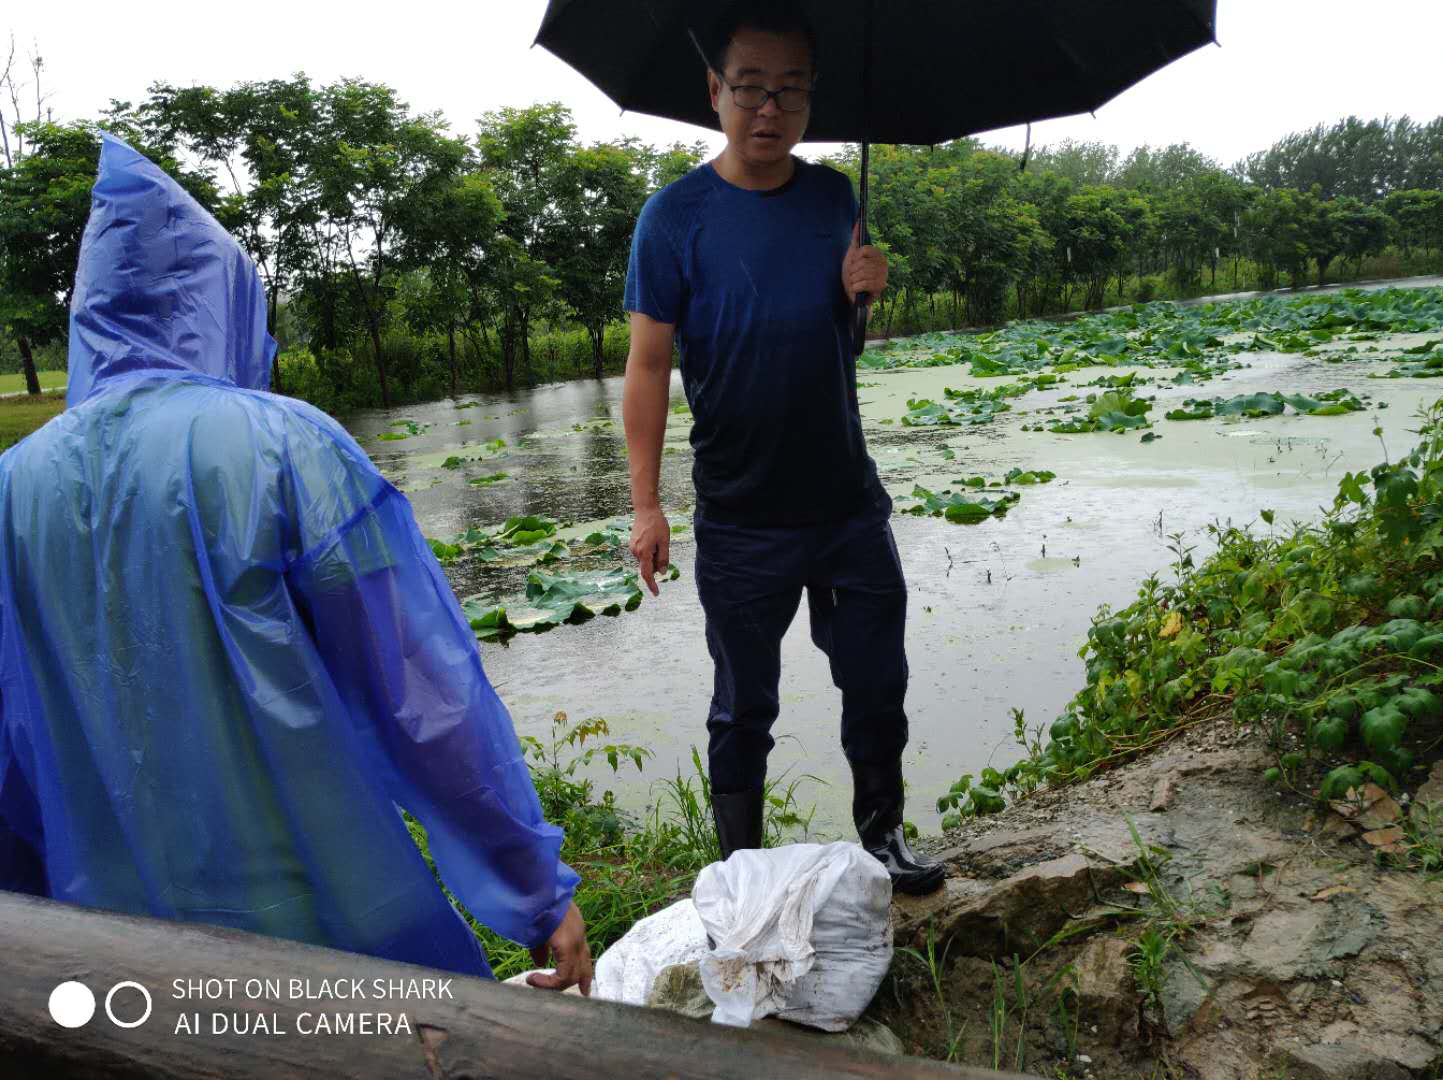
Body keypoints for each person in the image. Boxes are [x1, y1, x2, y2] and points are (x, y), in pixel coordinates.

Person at [0, 136, 592, 992]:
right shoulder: (283, 446)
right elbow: (423, 699)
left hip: (108, 936)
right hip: (315, 911)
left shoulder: (14, 486)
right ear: (217, 305)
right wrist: (535, 890)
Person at [622, 2, 944, 895]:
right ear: (715, 91)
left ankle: (882, 836)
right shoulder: (673, 217)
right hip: (739, 513)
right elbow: (648, 368)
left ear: (811, 100)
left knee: (877, 682)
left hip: (845, 501)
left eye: (791, 92)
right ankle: (742, 868)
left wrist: (863, 297)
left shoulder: (835, 197)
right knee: (743, 706)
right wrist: (646, 505)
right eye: (752, 89)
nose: (770, 111)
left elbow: (842, 348)